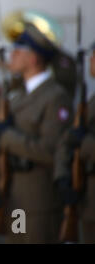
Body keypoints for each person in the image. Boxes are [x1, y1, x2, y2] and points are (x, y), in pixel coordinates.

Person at [0, 23, 73, 243]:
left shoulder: (55, 97)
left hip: (40, 197)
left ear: (34, 58)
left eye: (18, 52)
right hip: (15, 194)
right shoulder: (17, 96)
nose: (12, 56)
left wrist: (7, 136)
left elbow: (50, 150)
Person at [54, 42, 95, 243]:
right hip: (85, 197)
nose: (91, 61)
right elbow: (66, 140)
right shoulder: (89, 100)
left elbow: (80, 141)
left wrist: (84, 143)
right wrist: (62, 175)